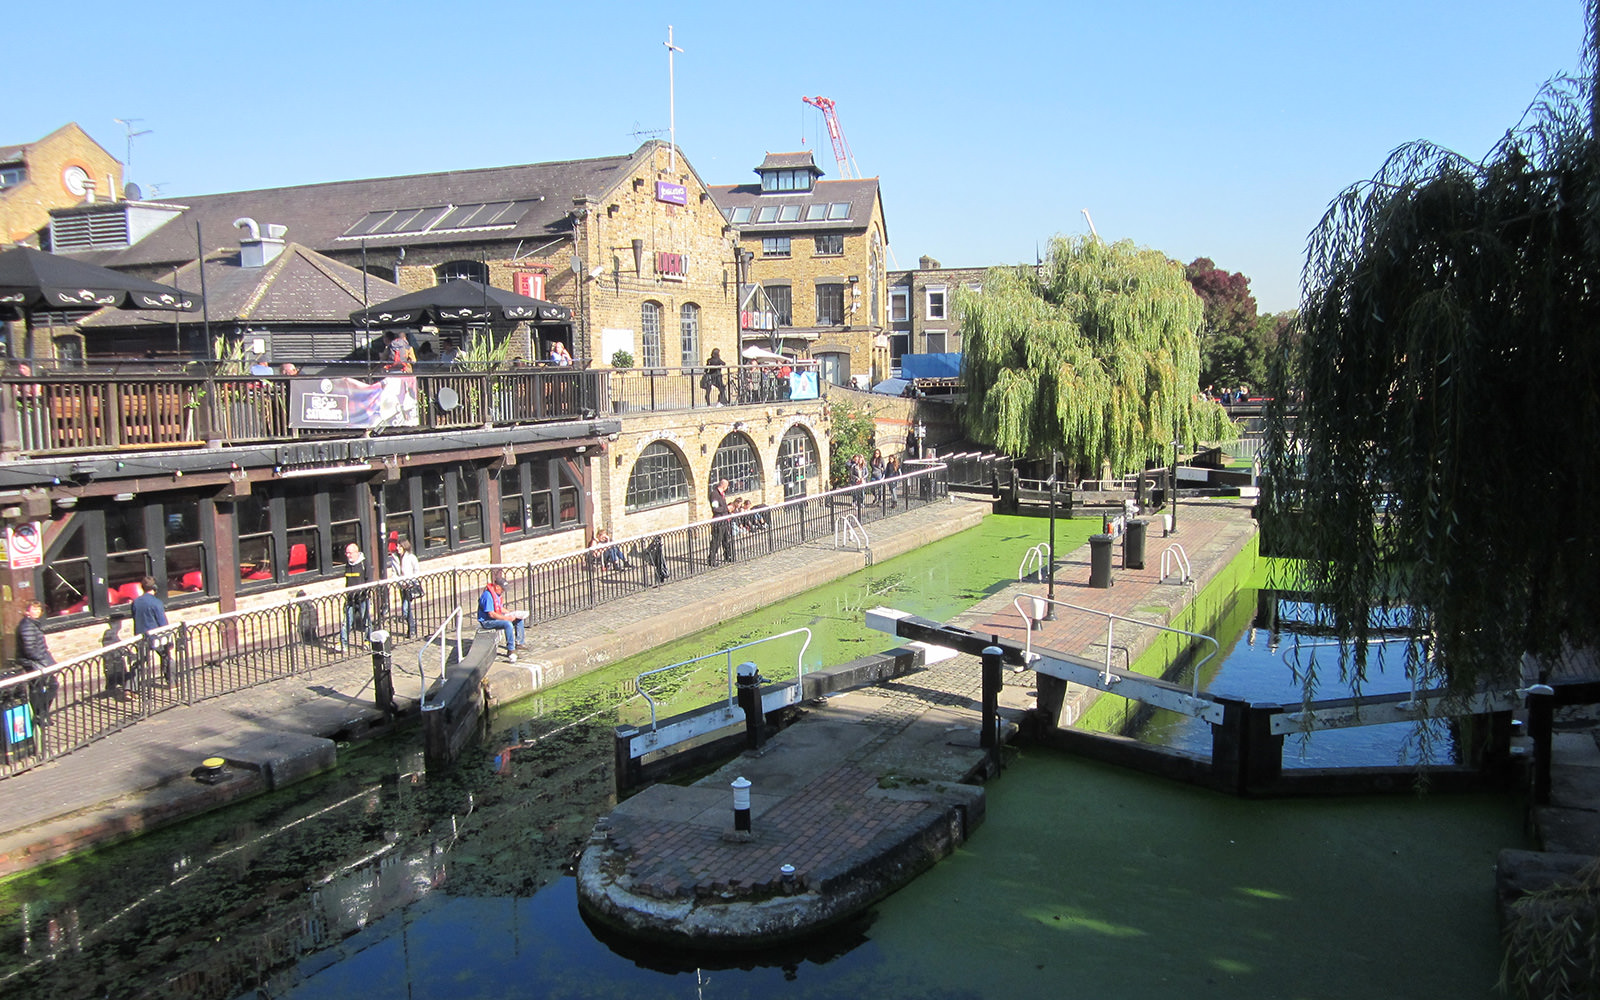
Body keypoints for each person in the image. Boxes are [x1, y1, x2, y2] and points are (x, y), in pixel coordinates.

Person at [14, 600, 58, 724]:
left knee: (46, 687)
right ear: (27, 611)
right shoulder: (27, 626)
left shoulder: (33, 624)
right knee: (42, 687)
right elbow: (30, 650)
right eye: (34, 609)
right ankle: (40, 715)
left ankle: (42, 714)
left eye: (39, 609)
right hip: (33, 662)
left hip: (39, 660)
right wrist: (44, 660)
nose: (37, 612)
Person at [131, 576, 173, 686]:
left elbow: (135, 618)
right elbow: (162, 622)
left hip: (141, 636)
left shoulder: (136, 602)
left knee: (140, 662)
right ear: (155, 587)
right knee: (166, 657)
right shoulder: (156, 603)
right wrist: (168, 637)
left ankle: (130, 688)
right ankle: (171, 681)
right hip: (155, 636)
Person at [477, 572, 526, 661]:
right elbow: (491, 614)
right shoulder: (487, 596)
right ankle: (511, 650)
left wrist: (511, 613)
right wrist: (507, 618)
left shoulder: (497, 594)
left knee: (519, 619)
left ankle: (520, 643)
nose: (503, 591)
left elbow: (499, 608)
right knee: (507, 624)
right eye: (502, 589)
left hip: (495, 618)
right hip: (487, 621)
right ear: (497, 587)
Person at [340, 542, 372, 650]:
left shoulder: (364, 564)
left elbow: (369, 580)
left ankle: (368, 641)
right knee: (346, 622)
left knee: (366, 621)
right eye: (347, 553)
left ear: (356, 552)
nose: (348, 555)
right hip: (350, 599)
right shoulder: (348, 565)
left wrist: (365, 592)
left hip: (363, 598)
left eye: (350, 553)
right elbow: (347, 581)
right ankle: (343, 643)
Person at [391, 539, 421, 638]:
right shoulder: (394, 558)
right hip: (402, 586)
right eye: (397, 546)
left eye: (400, 547)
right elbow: (394, 573)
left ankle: (412, 629)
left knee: (406, 608)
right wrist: (399, 582)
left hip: (410, 585)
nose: (398, 548)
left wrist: (411, 581)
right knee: (407, 608)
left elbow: (416, 570)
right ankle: (411, 629)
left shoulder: (411, 557)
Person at [707, 478, 735, 565]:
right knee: (716, 541)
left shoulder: (722, 494)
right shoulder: (714, 494)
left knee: (726, 539)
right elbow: (715, 509)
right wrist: (727, 508)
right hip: (718, 521)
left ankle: (728, 556)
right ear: (724, 486)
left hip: (725, 520)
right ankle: (711, 560)